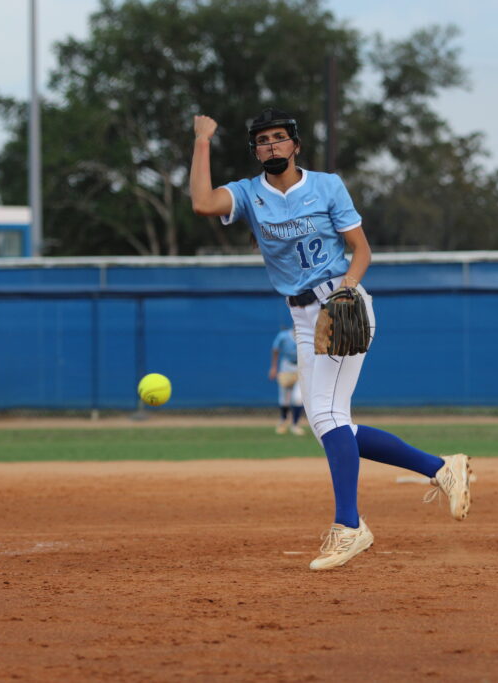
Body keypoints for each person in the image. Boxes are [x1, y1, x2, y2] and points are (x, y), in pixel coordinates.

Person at [190, 107, 472, 571]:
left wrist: (345, 291)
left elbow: (361, 250)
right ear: (255, 151)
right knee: (328, 421)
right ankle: (441, 468)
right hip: (301, 317)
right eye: (263, 141)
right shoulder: (248, 194)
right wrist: (202, 140)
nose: (271, 147)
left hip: (341, 307)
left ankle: (350, 526)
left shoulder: (326, 186)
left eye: (280, 138)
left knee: (325, 416)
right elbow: (202, 202)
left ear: (296, 145)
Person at [270, 325, 304, 435]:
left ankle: (295, 424)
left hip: (301, 367)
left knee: (298, 398)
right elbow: (275, 349)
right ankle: (283, 421)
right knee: (284, 399)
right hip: (286, 366)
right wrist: (274, 367)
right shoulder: (284, 336)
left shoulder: (306, 335)